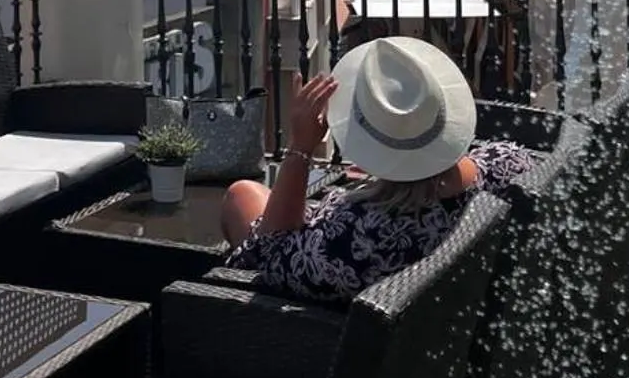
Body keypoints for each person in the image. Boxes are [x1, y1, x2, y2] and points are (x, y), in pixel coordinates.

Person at [220, 35, 536, 304]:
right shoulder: (507, 166)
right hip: (463, 331)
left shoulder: (361, 240)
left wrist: (300, 148)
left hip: (348, 352)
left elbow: (260, 258)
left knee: (240, 195)